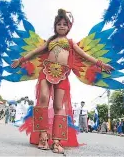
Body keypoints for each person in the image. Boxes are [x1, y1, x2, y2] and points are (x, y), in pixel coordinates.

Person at [11, 9, 114, 154]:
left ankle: (57, 141)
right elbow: (35, 52)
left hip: (63, 75)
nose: (61, 26)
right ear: (55, 26)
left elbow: (85, 55)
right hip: (46, 72)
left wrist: (101, 64)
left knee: (59, 105)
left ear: (69, 27)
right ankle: (43, 136)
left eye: (65, 24)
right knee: (43, 98)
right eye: (59, 24)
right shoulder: (50, 41)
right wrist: (21, 60)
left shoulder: (71, 43)